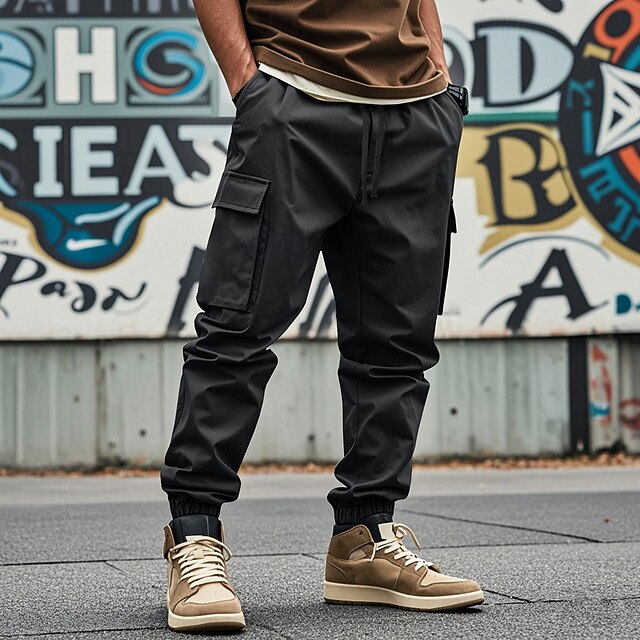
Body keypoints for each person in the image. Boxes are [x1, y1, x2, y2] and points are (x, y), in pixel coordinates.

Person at [160, 0, 483, 631]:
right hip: (294, 100)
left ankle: (365, 539)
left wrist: (439, 77)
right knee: (237, 328)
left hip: (415, 115)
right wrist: (249, 85)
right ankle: (194, 536)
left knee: (397, 344)